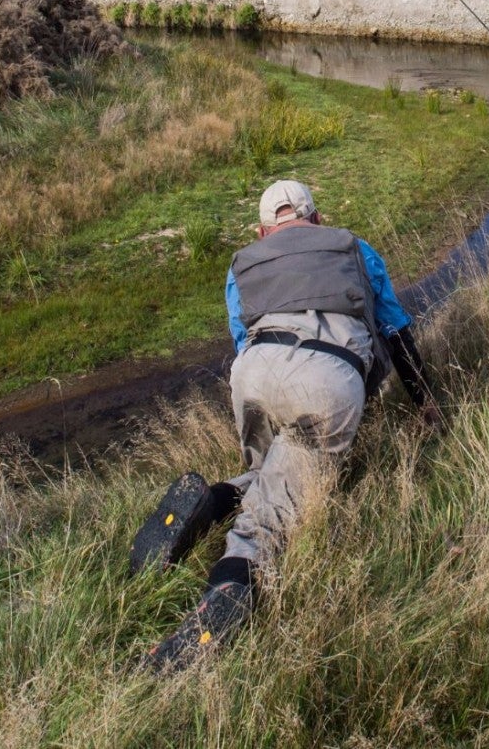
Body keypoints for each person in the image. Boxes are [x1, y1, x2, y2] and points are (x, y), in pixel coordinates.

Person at [131, 179, 438, 672]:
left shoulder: (243, 263)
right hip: (326, 379)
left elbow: (241, 340)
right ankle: (227, 593)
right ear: (317, 219)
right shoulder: (353, 248)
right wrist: (425, 401)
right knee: (274, 515)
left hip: (252, 373)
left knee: (270, 470)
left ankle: (208, 503)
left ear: (263, 229)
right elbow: (395, 329)